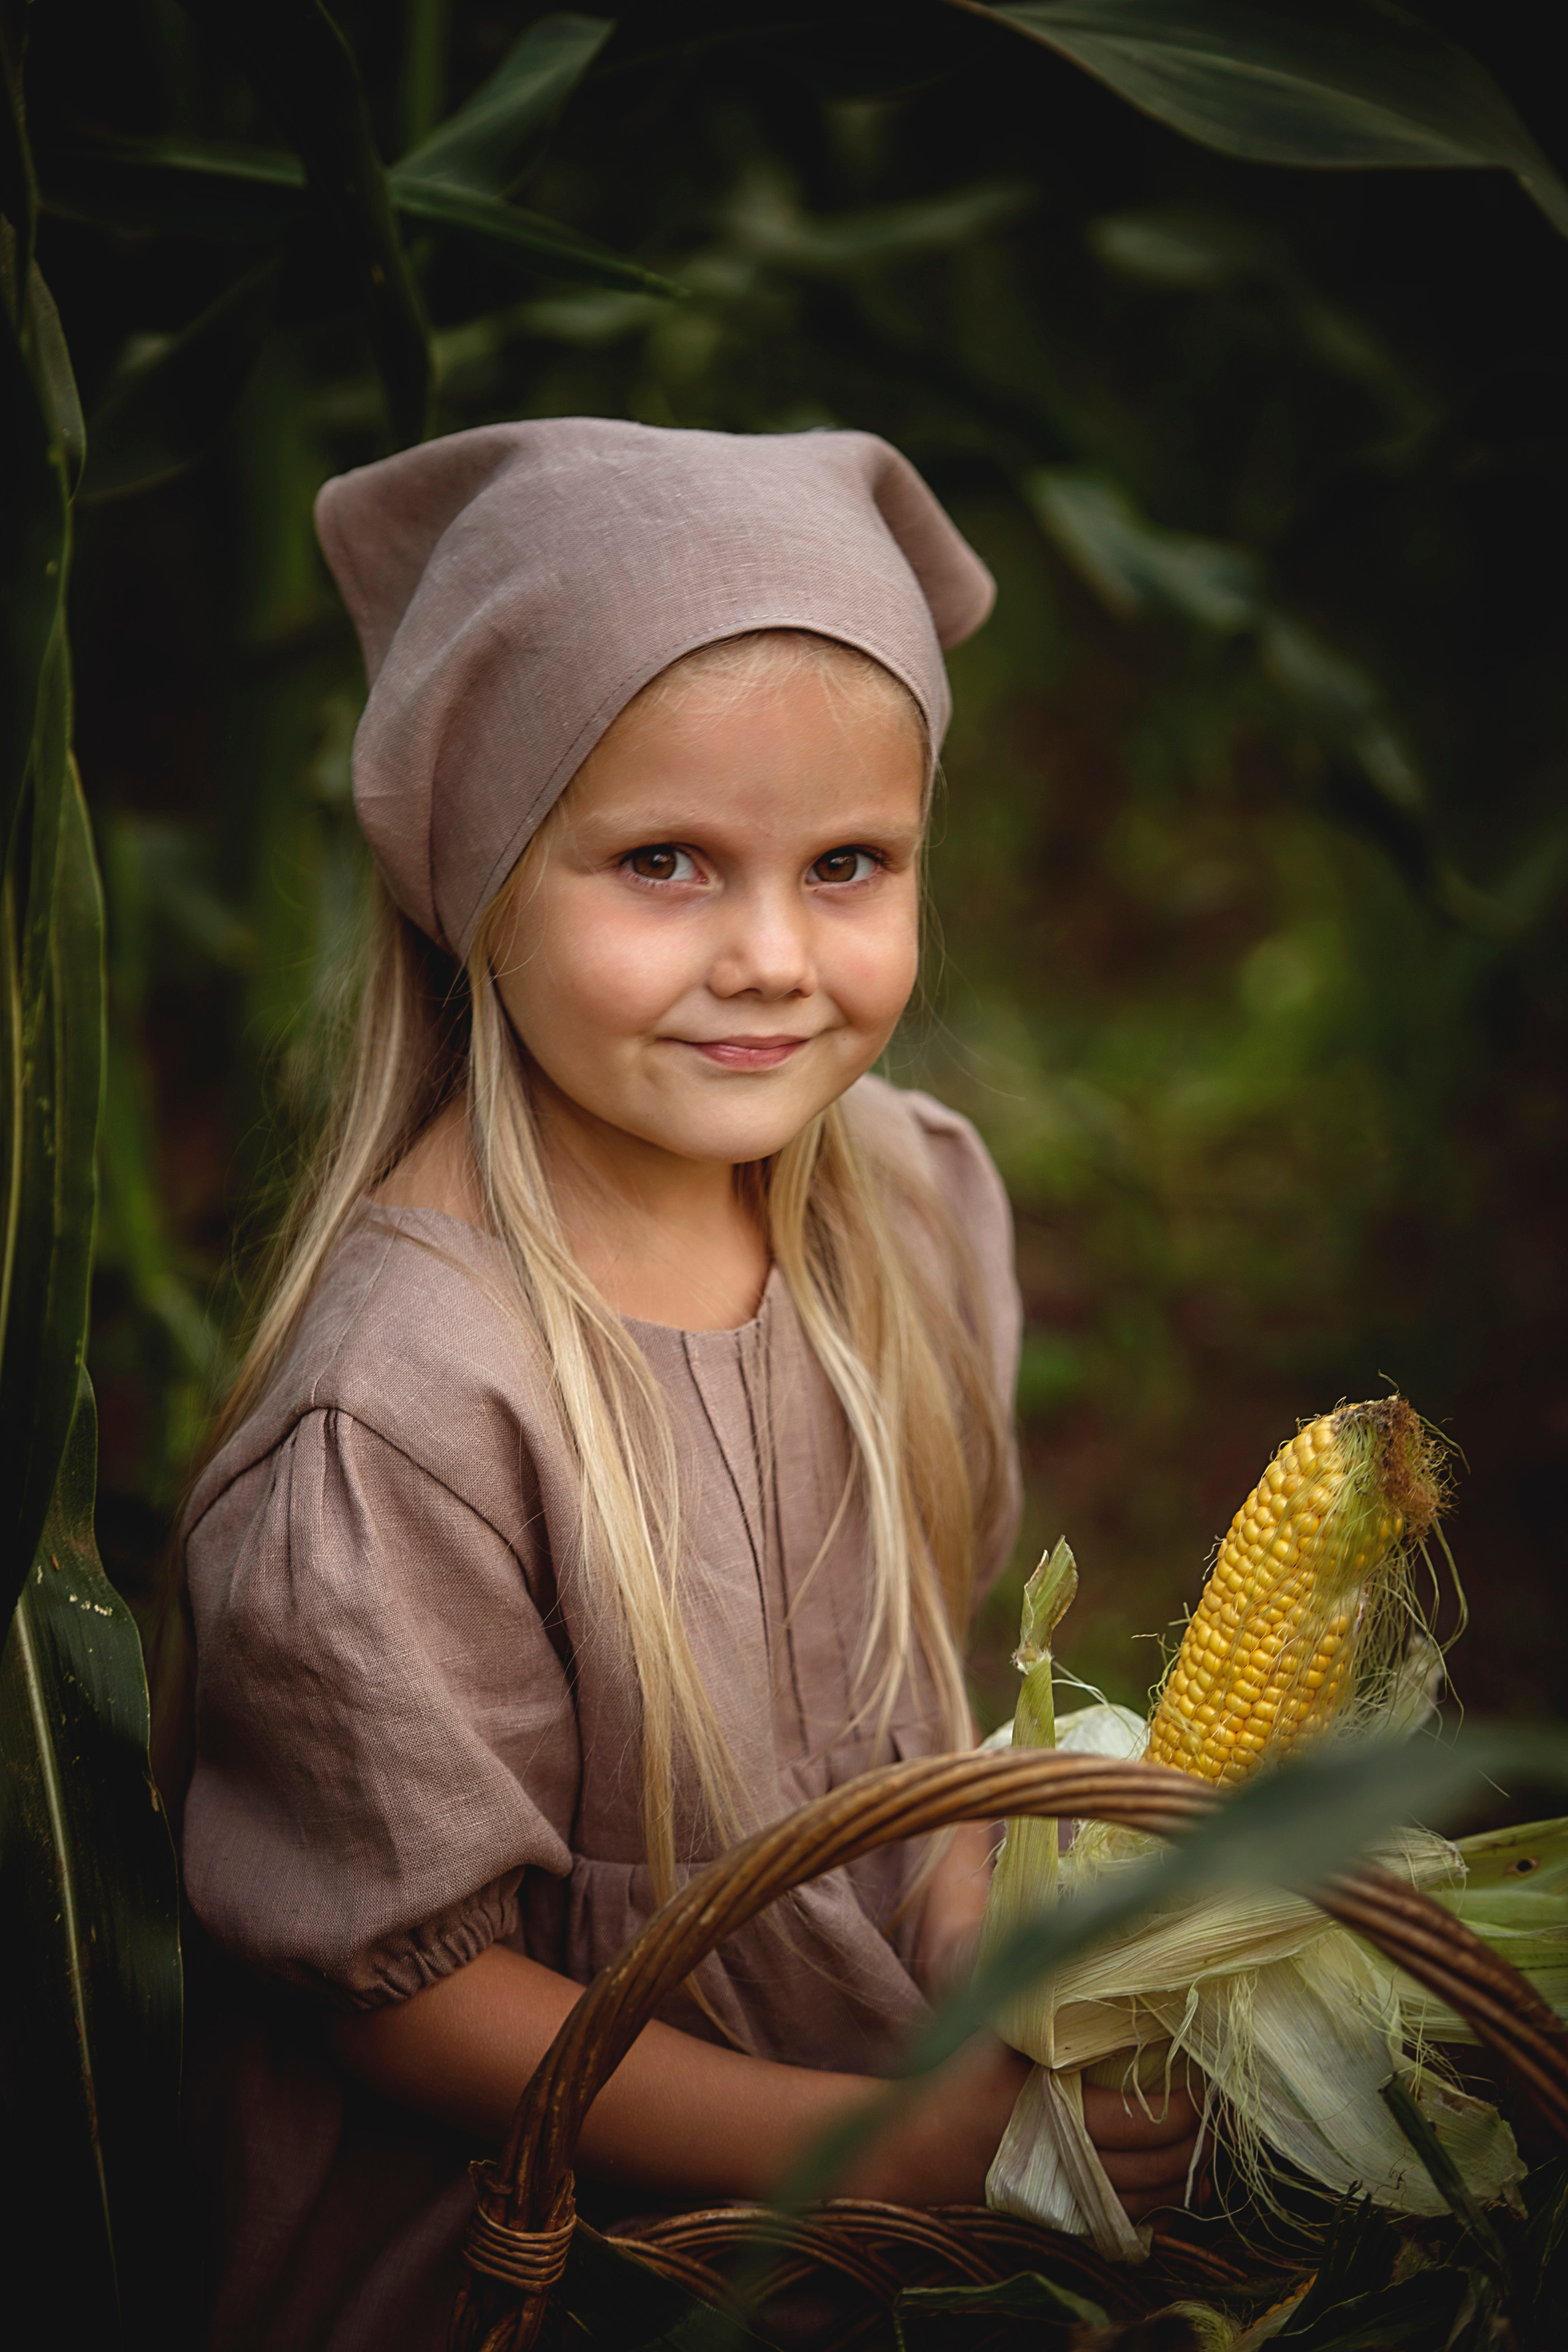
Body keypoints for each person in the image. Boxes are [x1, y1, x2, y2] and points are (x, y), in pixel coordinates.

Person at [176, 420, 1200, 2351]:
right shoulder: (410, 1413)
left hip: (893, 2164)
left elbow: (906, 1714)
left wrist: (974, 1933)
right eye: (665, 863)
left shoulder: (902, 1218)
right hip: (538, 2253)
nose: (772, 958)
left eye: (848, 865)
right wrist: (892, 2153)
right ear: (479, 871)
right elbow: (408, 1999)